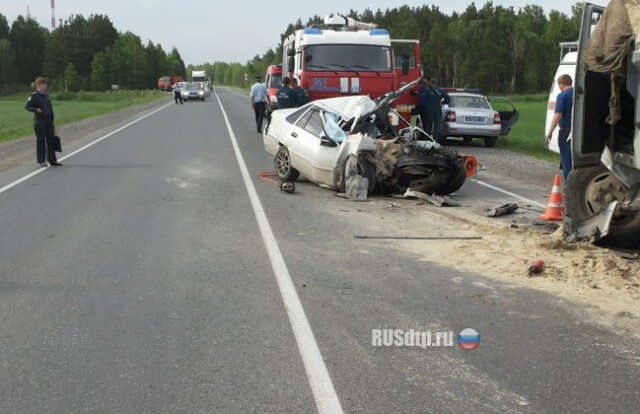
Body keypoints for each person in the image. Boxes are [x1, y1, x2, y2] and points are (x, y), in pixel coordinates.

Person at [25, 77, 61, 167]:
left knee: (51, 140)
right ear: (39, 85)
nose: (46, 86)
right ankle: (42, 161)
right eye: (43, 84)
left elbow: (50, 108)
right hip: (40, 121)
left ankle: (52, 160)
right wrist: (36, 110)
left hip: (48, 121)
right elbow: (27, 107)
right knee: (41, 141)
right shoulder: (34, 96)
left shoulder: (46, 95)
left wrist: (52, 120)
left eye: (45, 84)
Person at [546, 74, 574, 180]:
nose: (559, 88)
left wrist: (550, 132)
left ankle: (569, 185)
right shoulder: (579, 94)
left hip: (565, 131)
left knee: (566, 160)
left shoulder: (562, 96)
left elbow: (557, 116)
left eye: (559, 85)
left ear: (562, 84)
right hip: (578, 131)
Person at [424, 78, 450, 144]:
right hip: (438, 110)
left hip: (429, 110)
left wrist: (426, 106)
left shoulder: (428, 90)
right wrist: (442, 102)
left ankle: (427, 141)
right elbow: (448, 99)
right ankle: (435, 142)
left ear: (431, 83)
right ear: (437, 83)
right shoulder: (441, 91)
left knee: (428, 126)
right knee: (437, 127)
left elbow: (423, 98)